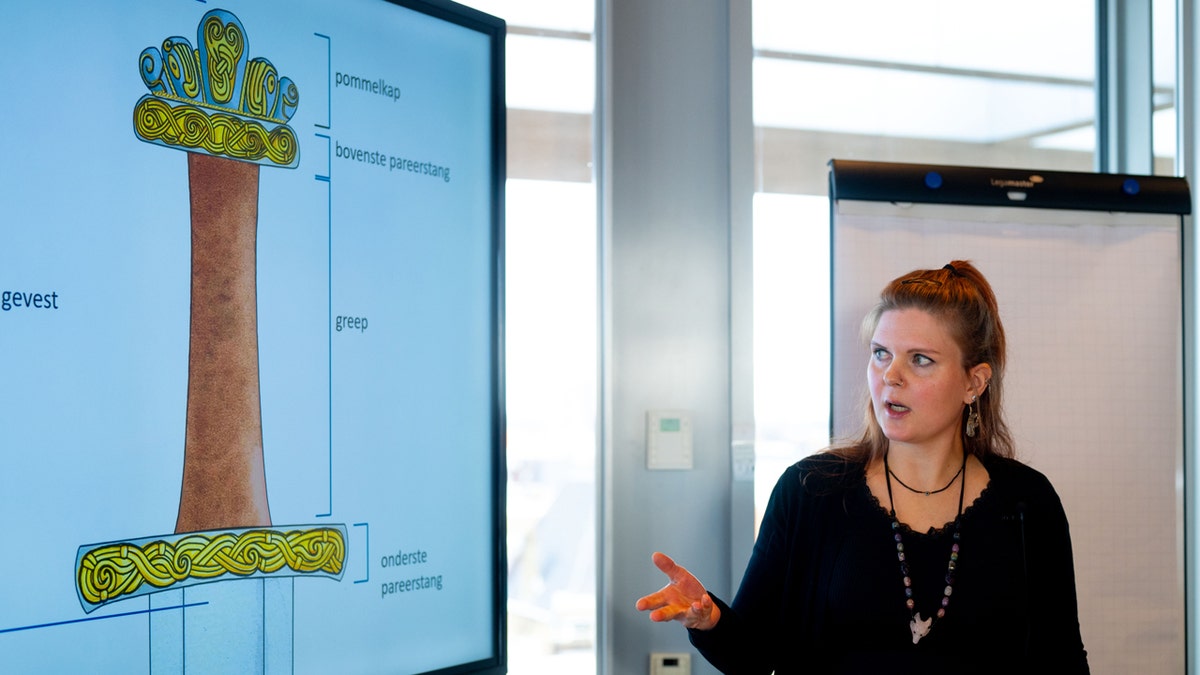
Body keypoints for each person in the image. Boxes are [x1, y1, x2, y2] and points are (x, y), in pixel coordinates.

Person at [635, 261, 1088, 674]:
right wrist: (710, 619)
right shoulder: (810, 491)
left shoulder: (1028, 501)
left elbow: (1062, 660)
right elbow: (753, 655)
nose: (891, 376)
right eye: (880, 353)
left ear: (974, 382)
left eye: (921, 360)